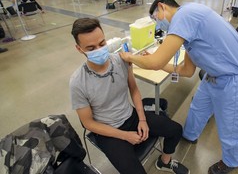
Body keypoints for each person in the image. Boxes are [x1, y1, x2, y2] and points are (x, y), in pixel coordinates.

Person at [119, 0, 238, 174]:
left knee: (230, 126)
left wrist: (130, 57)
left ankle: (231, 162)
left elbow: (155, 63)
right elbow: (186, 71)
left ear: (162, 7)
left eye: (155, 18)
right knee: (198, 108)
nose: (158, 24)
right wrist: (152, 60)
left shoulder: (185, 16)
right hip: (214, 75)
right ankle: (189, 135)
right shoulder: (189, 26)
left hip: (233, 79)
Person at [69, 17, 190, 174]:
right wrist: (124, 135)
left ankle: (164, 162)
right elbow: (88, 124)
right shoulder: (78, 82)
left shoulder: (121, 61)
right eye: (91, 48)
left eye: (102, 44)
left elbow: (134, 89)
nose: (99, 50)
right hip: (107, 131)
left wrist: (142, 119)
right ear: (80, 49)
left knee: (175, 130)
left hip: (131, 116)